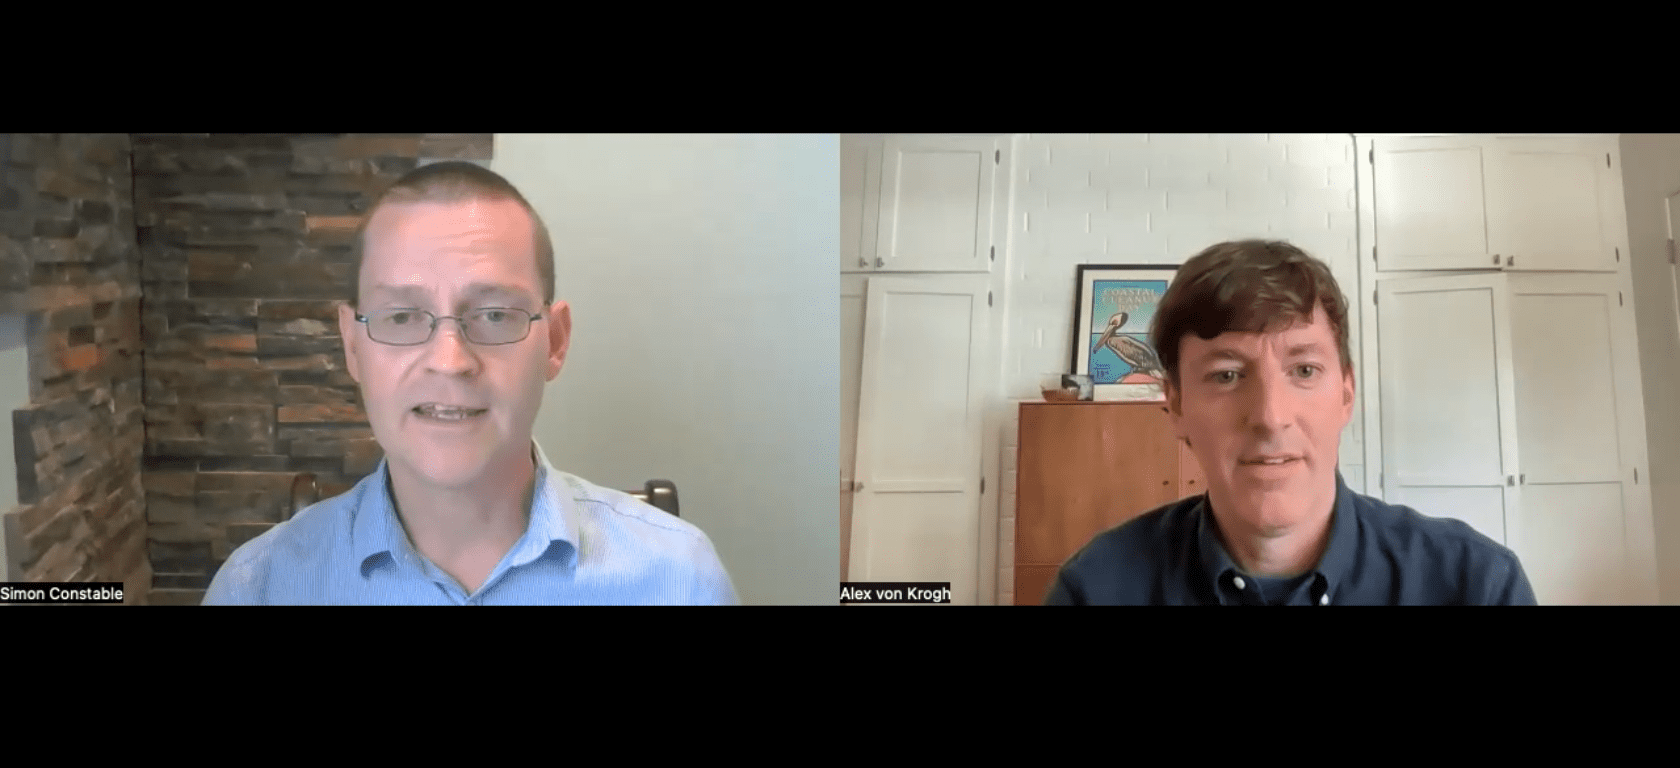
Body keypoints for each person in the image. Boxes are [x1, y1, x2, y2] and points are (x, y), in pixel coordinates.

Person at [203, 161, 738, 605]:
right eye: (402, 317)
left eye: (495, 315)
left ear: (553, 342)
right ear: (352, 346)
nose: (450, 361)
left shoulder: (679, 580)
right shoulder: (257, 589)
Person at [1044, 239, 1536, 606]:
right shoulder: (1095, 589)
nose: (1270, 417)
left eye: (1303, 370)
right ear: (1174, 404)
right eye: (1227, 375)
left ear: (1346, 393)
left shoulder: (1476, 585)